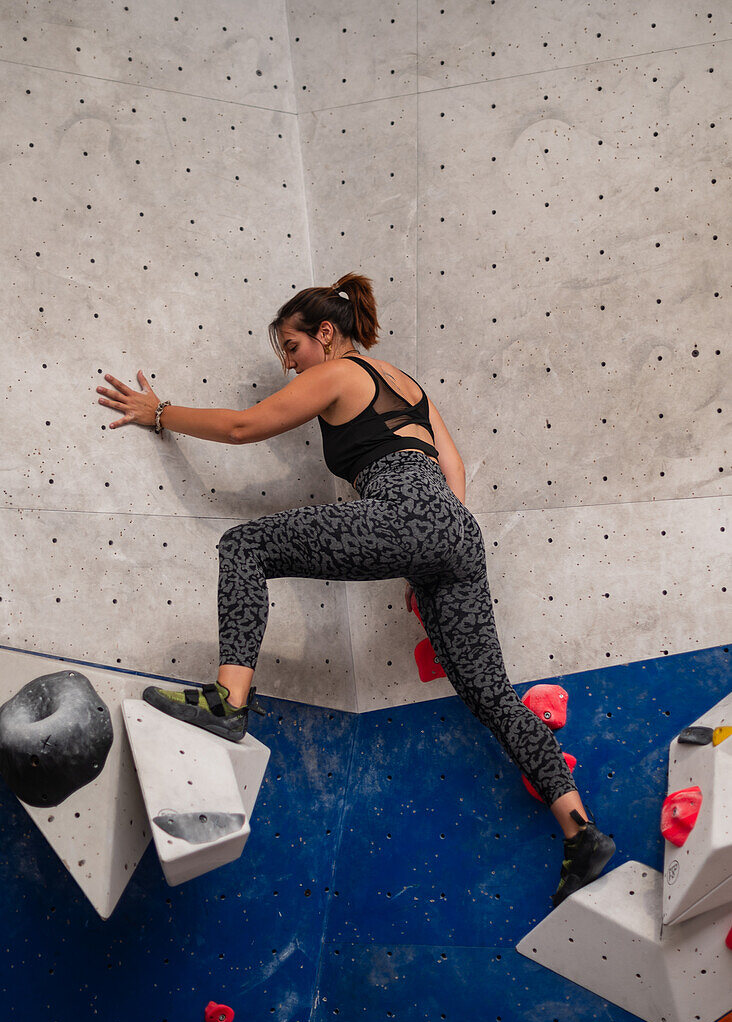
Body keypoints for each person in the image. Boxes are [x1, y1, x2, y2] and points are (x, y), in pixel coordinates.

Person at [96, 272, 615, 907]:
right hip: (455, 535)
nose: (290, 363)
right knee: (491, 694)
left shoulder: (340, 371)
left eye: (291, 347)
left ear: (325, 333)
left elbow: (240, 428)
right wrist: (419, 561)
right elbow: (451, 473)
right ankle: (579, 829)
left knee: (243, 546)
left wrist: (161, 412)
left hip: (402, 512)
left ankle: (229, 700)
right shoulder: (410, 387)